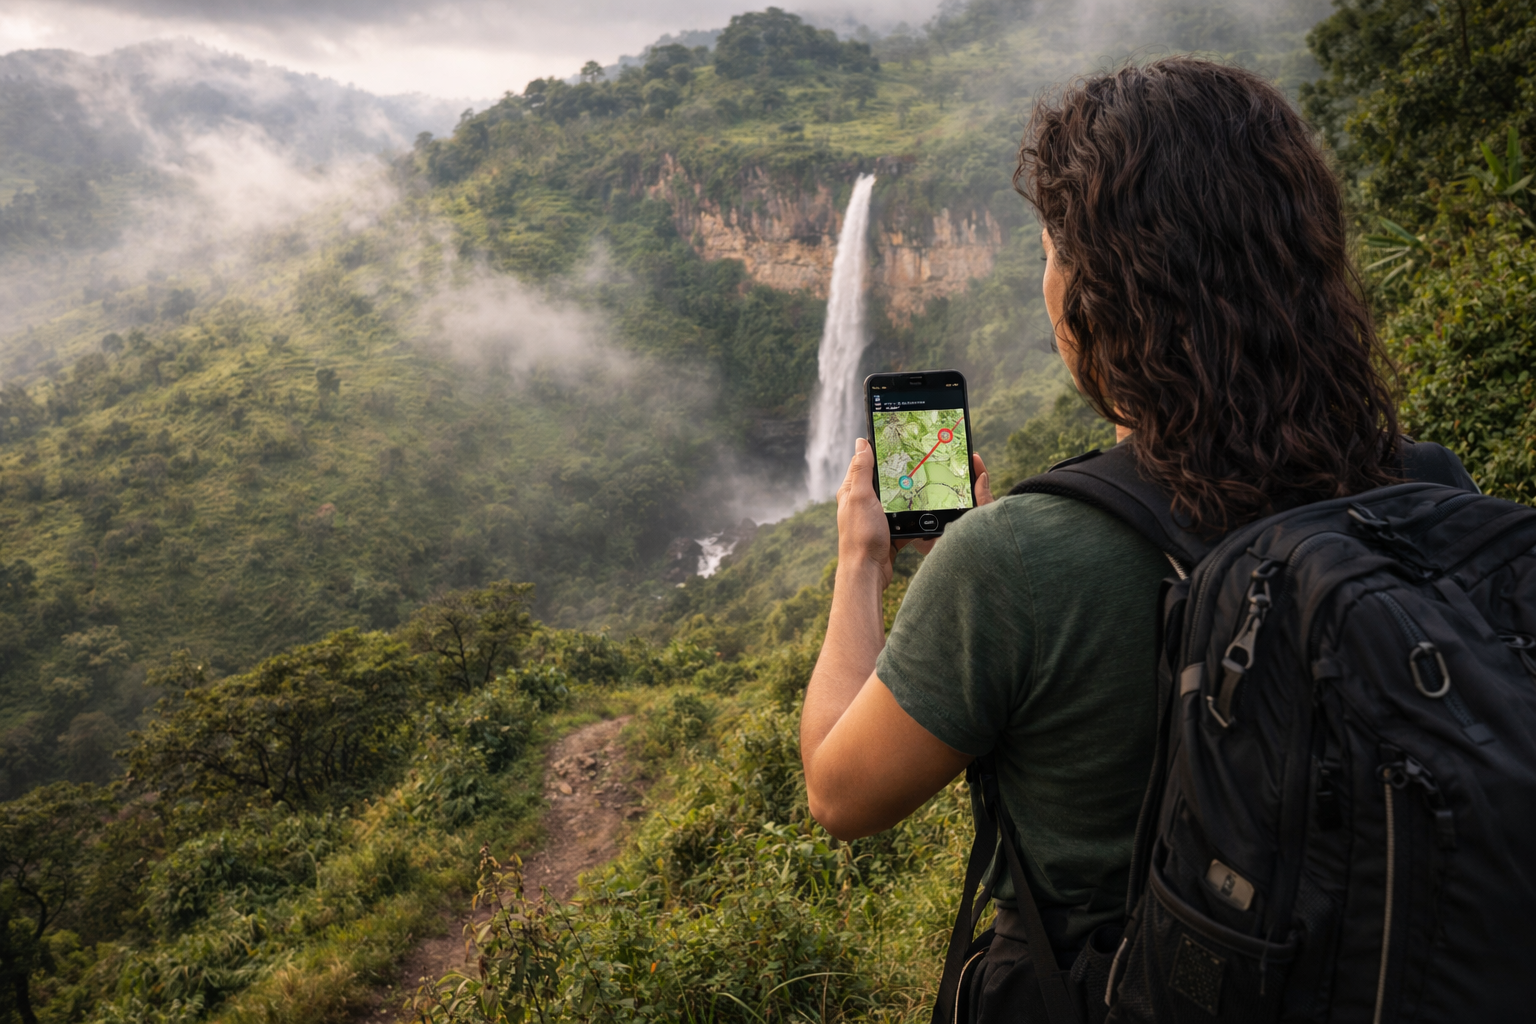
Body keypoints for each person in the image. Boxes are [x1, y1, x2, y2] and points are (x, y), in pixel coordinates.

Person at [799, 56, 1404, 972]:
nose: (1043, 283)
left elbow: (839, 794)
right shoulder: (1422, 491)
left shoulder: (1012, 563)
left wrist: (861, 564)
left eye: (1050, 254)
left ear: (1097, 297)